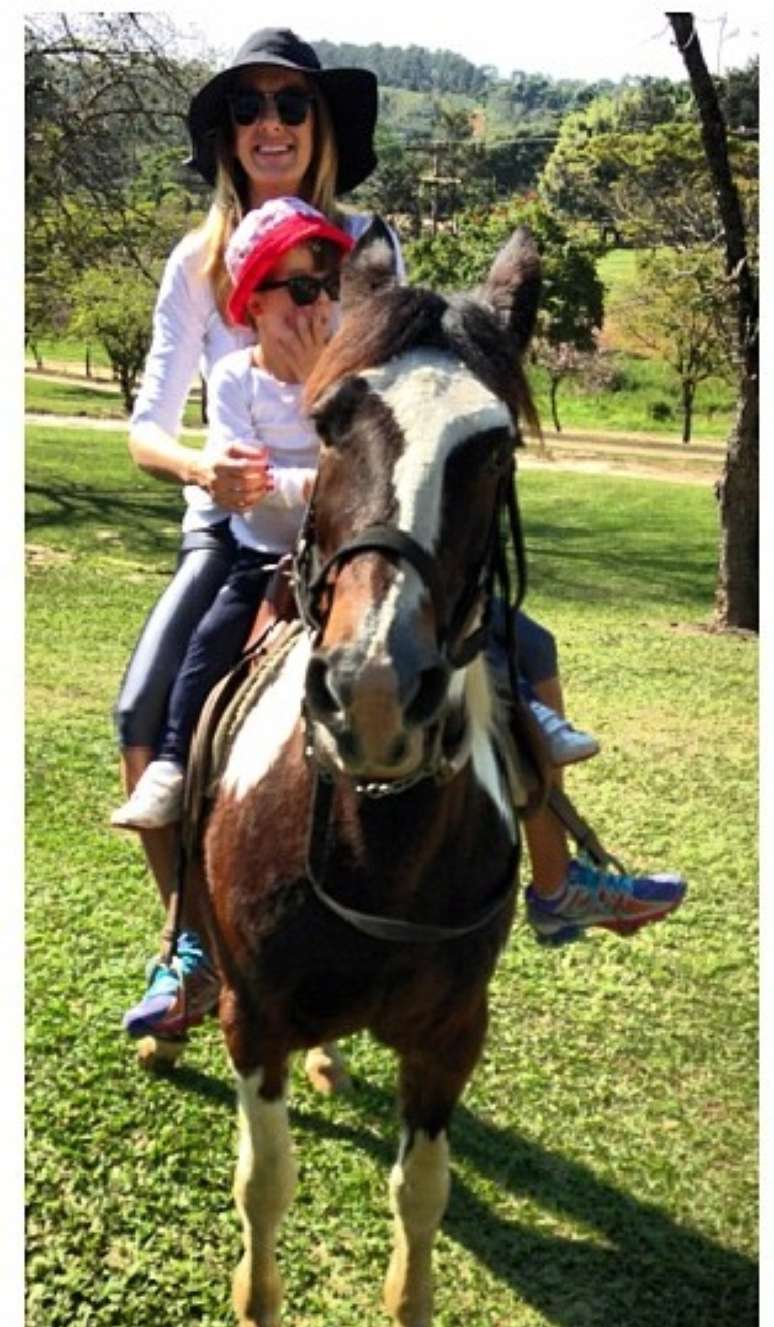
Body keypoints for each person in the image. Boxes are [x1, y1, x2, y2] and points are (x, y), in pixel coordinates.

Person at [114, 27, 684, 1039]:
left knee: (512, 649)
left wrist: (319, 382)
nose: (271, 123)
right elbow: (148, 424)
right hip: (235, 523)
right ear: (225, 134)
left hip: (362, 516)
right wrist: (204, 465)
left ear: (321, 122)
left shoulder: (369, 244)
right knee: (143, 705)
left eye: (291, 103)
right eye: (248, 108)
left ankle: (557, 877)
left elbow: (411, 388)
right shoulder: (195, 265)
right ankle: (192, 942)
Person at [113, 197, 353, 833]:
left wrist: (319, 391)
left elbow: (355, 474)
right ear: (252, 306)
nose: (321, 304)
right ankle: (169, 762)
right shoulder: (230, 379)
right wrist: (311, 477)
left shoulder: (350, 379)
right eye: (301, 288)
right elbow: (243, 479)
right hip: (256, 556)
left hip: (337, 552)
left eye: (328, 285)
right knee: (209, 643)